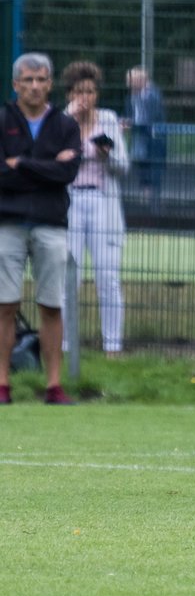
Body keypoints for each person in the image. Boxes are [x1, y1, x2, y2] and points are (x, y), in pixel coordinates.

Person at [0, 53, 82, 404]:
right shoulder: (2, 120)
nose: (35, 86)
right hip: (8, 223)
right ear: (15, 84)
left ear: (50, 84)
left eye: (41, 79)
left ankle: (53, 386)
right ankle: (3, 385)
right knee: (5, 305)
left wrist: (22, 165)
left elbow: (67, 174)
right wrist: (46, 168)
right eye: (28, 80)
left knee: (51, 305)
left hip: (51, 225)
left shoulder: (66, 125)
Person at [62, 61, 130, 357]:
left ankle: (112, 346)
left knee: (108, 276)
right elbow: (51, 159)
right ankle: (63, 345)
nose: (85, 98)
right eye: (79, 92)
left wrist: (108, 155)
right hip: (70, 202)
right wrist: (69, 123)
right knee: (67, 276)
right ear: (69, 94)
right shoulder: (60, 120)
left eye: (90, 91)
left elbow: (123, 166)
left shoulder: (109, 120)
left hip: (103, 201)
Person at [123, 66, 165, 204]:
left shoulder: (152, 94)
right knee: (141, 160)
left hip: (153, 134)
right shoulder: (133, 95)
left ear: (141, 80)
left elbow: (154, 114)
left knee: (153, 163)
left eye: (131, 82)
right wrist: (128, 122)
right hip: (139, 132)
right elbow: (131, 113)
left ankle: (154, 194)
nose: (129, 85)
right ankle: (145, 191)